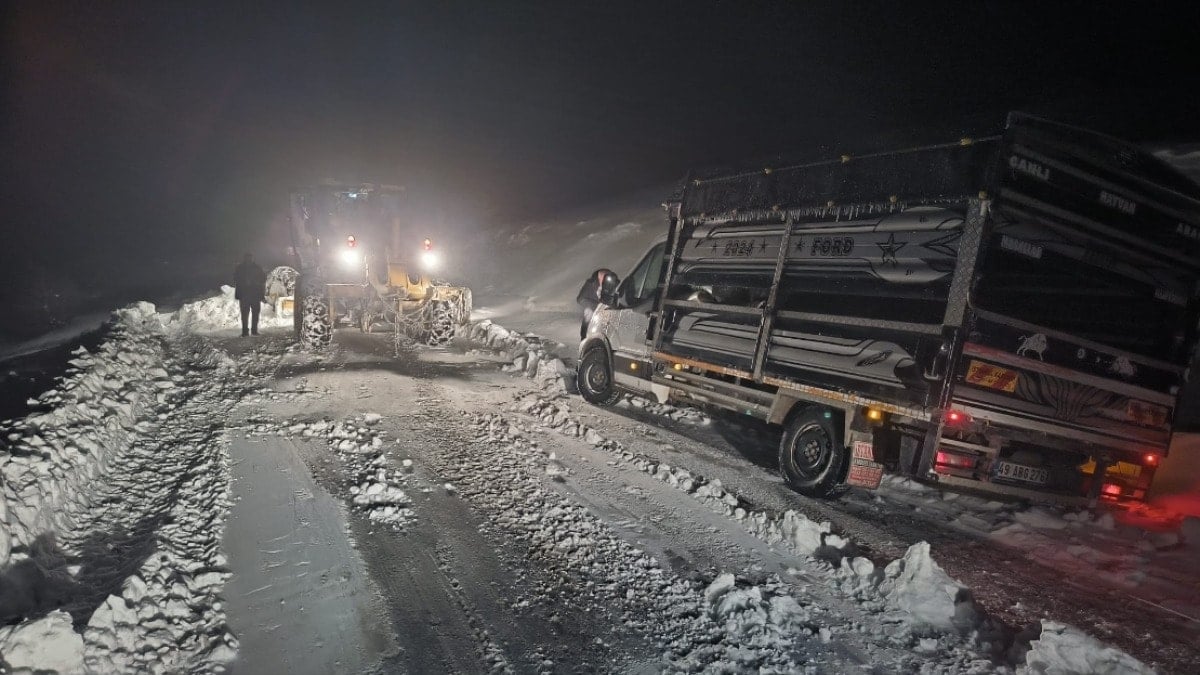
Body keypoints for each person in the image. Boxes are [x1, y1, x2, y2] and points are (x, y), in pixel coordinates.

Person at [576, 268, 615, 340]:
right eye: (603, 278)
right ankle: (584, 337)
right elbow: (580, 299)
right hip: (593, 310)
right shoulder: (591, 284)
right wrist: (594, 306)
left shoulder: (613, 284)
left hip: (607, 312)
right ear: (599, 278)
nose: (605, 281)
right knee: (588, 312)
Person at [234, 253, 267, 336]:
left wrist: (255, 282)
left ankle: (252, 331)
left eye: (250, 258)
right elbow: (236, 279)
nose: (249, 260)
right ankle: (247, 331)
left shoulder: (256, 268)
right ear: (245, 258)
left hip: (253, 294)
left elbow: (263, 279)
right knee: (245, 314)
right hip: (246, 294)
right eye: (248, 258)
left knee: (253, 313)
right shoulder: (240, 268)